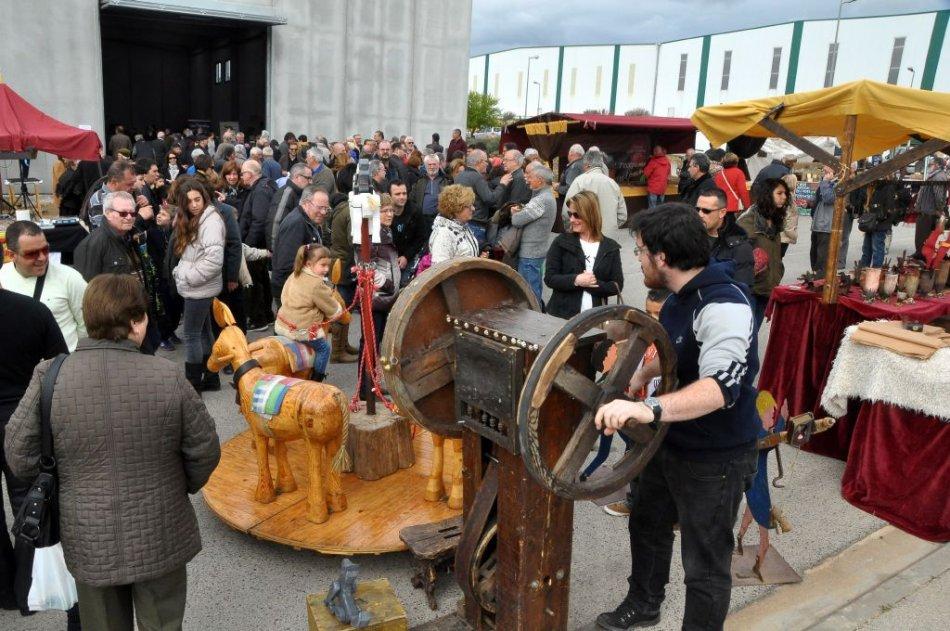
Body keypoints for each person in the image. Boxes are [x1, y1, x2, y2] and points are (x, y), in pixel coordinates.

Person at [5, 273, 220, 631]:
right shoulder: (166, 376)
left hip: (88, 535)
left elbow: (19, 455)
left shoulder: (50, 375)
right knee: (163, 624)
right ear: (137, 321)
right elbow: (205, 451)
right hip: (161, 530)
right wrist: (175, 485)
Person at [594, 203, 758, 631]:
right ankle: (644, 605)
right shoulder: (679, 299)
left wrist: (646, 408)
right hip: (668, 441)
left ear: (662, 257)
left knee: (704, 562)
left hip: (715, 456)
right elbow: (673, 352)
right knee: (648, 526)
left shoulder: (724, 305)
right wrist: (642, 374)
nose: (638, 258)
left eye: (641, 250)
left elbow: (720, 388)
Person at [0, 260, 69, 617]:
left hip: (19, 411)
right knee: (29, 502)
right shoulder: (31, 310)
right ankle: (28, 585)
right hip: (22, 416)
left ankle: (5, 591)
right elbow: (60, 363)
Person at [171, 178, 225, 393]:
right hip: (199, 286)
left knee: (192, 334)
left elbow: (214, 260)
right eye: (189, 201)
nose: (194, 204)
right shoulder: (199, 218)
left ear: (204, 198)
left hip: (199, 287)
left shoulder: (210, 222)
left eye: (197, 199)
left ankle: (194, 384)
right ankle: (211, 378)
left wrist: (188, 277)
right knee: (203, 332)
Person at [0, 221, 86, 351]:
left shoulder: (70, 277)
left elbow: (86, 325)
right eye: (32, 253)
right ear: (11, 255)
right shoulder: (2, 277)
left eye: (45, 250)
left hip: (62, 365)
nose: (42, 258)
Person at [544, 190, 622, 319]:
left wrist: (593, 283)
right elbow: (550, 278)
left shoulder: (610, 247)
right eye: (570, 214)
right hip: (561, 317)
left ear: (590, 215)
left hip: (596, 320)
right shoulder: (561, 242)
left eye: (577, 215)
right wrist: (576, 280)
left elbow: (617, 285)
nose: (572, 219)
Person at [354, 195, 402, 397]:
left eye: (391, 210)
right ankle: (366, 388)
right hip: (377, 298)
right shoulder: (372, 235)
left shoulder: (384, 232)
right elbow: (369, 268)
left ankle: (371, 384)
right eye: (385, 211)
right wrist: (391, 285)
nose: (390, 214)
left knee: (375, 342)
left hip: (384, 298)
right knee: (370, 342)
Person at [274, 245, 340, 382]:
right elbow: (333, 310)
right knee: (324, 349)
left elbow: (283, 297)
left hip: (283, 323)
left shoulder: (294, 274)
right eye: (323, 265)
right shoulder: (316, 284)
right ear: (309, 264)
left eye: (328, 266)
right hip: (301, 329)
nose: (326, 269)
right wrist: (338, 309)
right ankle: (316, 380)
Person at [738, 178, 789, 331]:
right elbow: (738, 257)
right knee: (747, 334)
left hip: (767, 286)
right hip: (750, 288)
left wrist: (778, 271)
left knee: (755, 329)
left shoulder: (774, 220)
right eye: (779, 193)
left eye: (785, 193)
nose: (784, 196)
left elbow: (775, 254)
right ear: (767, 195)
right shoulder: (748, 221)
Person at [272, 186, 330, 305]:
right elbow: (287, 263)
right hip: (293, 292)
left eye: (326, 208)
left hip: (301, 289)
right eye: (320, 207)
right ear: (306, 203)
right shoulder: (296, 224)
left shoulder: (308, 221)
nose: (323, 212)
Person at [510, 164, 557, 303]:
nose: (527, 179)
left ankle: (534, 319)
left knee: (530, 292)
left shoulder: (542, 200)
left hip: (531, 253)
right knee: (532, 289)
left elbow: (517, 221)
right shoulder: (544, 196)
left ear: (540, 180)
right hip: (535, 251)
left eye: (530, 177)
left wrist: (514, 213)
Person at [239, 159, 277, 330]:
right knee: (261, 279)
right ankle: (266, 314)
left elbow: (258, 221)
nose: (240, 176)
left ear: (250, 174)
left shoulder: (261, 190)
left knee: (255, 281)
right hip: (260, 244)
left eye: (242, 173)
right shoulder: (265, 186)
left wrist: (248, 246)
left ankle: (258, 318)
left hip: (256, 244)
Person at [697, 188, 755, 287]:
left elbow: (742, 287)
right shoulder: (689, 237)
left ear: (722, 212)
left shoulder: (740, 246)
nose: (700, 214)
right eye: (697, 209)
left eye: (706, 211)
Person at [565, 149, 628, 240]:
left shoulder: (579, 181)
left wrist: (572, 229)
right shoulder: (613, 184)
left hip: (585, 237)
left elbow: (566, 211)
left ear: (586, 165)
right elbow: (622, 215)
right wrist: (609, 228)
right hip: (609, 239)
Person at [452, 149, 505, 245]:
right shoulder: (477, 177)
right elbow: (490, 199)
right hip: (476, 223)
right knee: (476, 256)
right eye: (486, 161)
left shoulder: (459, 176)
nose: (487, 164)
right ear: (479, 162)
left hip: (462, 221)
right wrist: (502, 185)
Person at [429, 184, 481, 264]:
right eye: (469, 206)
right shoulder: (443, 235)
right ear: (456, 209)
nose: (473, 209)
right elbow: (440, 271)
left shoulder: (461, 226)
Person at [388, 180, 428, 283]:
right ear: (390, 195)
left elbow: (421, 237)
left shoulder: (415, 211)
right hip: (388, 258)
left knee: (405, 284)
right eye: (397, 194)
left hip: (409, 255)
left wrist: (406, 256)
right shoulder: (384, 212)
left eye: (404, 193)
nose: (402, 197)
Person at [859, 173, 902, 268]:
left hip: (880, 223)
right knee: (867, 249)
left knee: (877, 248)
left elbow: (890, 208)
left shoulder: (887, 187)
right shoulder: (873, 187)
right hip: (871, 222)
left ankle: (876, 271)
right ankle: (863, 270)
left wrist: (880, 215)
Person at [84, 160, 136, 228]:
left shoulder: (126, 195)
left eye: (134, 183)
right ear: (114, 182)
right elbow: (105, 231)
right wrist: (140, 217)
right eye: (129, 184)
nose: (134, 187)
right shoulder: (99, 200)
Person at [914, 157, 948, 255]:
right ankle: (919, 253)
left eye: (931, 164)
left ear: (937, 165)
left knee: (923, 236)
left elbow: (939, 196)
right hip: (926, 210)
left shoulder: (939, 177)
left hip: (929, 212)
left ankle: (921, 255)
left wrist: (939, 210)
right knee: (921, 235)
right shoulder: (934, 176)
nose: (929, 166)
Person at [409, 154, 448, 235]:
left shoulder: (446, 181)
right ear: (425, 166)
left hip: (440, 220)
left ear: (439, 165)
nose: (432, 167)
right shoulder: (419, 181)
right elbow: (412, 199)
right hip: (422, 220)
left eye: (434, 164)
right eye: (429, 164)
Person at [810, 165, 836, 275]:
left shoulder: (837, 183)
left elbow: (829, 198)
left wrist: (825, 182)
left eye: (827, 168)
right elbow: (819, 200)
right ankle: (815, 275)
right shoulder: (825, 182)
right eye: (823, 169)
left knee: (822, 258)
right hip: (818, 224)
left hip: (826, 226)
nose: (824, 170)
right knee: (814, 254)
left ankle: (820, 279)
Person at [714, 152, 751, 220]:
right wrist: (747, 206)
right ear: (736, 162)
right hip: (732, 207)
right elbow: (743, 191)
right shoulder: (739, 173)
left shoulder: (719, 174)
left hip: (719, 206)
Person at [780, 172, 799, 257]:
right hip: (783, 235)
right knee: (778, 258)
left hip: (782, 234)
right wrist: (793, 235)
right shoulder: (788, 198)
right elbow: (787, 218)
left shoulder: (784, 195)